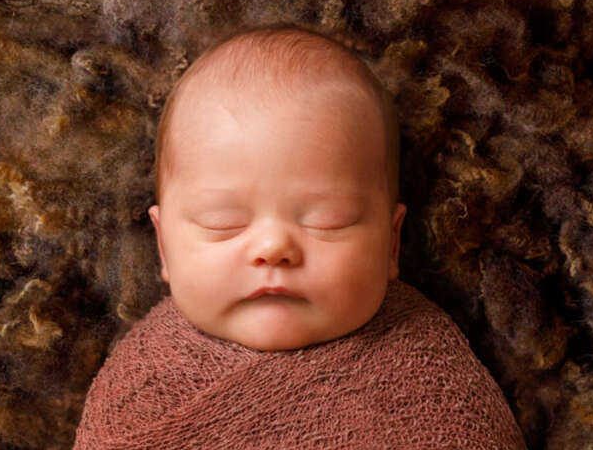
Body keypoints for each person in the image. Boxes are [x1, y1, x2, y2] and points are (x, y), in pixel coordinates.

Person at [148, 24, 407, 352]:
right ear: (163, 246)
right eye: (222, 221)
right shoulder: (137, 376)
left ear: (392, 242)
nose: (272, 247)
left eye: (328, 219)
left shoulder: (432, 367)